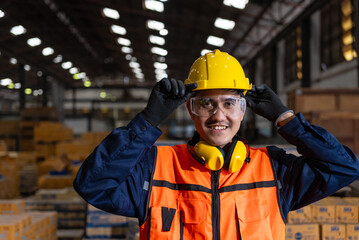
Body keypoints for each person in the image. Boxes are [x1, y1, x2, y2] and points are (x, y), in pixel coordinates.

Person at [73, 50, 359, 239]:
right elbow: (93, 185)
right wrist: (147, 121)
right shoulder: (155, 169)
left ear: (244, 109)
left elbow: (344, 167)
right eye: (206, 103)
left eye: (229, 103)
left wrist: (286, 119)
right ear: (190, 109)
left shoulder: (274, 170)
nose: (218, 115)